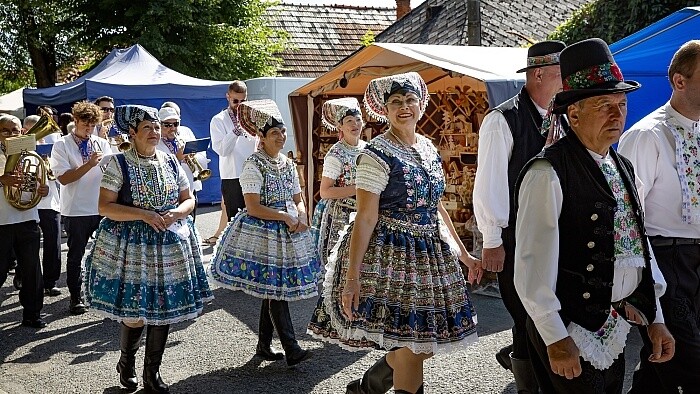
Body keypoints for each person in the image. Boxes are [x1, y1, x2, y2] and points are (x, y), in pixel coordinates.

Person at [514, 38, 675, 393]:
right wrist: (555, 337)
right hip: (569, 327)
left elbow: (639, 246)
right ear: (574, 114)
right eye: (604, 105)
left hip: (614, 324)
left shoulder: (624, 167)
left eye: (621, 104)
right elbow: (531, 264)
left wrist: (655, 317)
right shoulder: (547, 172)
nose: (618, 115)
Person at [325, 72, 481, 394]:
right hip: (391, 257)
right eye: (395, 102)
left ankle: (367, 386)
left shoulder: (426, 146)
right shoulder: (376, 154)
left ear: (421, 104)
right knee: (413, 346)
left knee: (420, 345)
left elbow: (435, 206)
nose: (404, 107)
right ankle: (371, 387)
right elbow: (366, 217)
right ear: (385, 109)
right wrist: (351, 278)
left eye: (410, 100)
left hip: (427, 254)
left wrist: (462, 252)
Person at [84, 105, 213, 393]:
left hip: (168, 242)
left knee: (163, 308)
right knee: (135, 311)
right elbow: (105, 206)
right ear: (132, 133)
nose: (155, 132)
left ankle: (151, 373)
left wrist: (177, 214)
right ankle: (126, 362)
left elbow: (188, 198)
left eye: (157, 127)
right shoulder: (119, 163)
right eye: (148, 128)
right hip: (133, 245)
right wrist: (144, 214)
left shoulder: (169, 162)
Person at [473, 41, 565, 390]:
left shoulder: (562, 116)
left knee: (545, 314)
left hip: (554, 232)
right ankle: (530, 383)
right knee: (526, 315)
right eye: (561, 74)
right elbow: (490, 185)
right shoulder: (502, 119)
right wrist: (493, 240)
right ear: (539, 73)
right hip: (515, 236)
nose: (567, 81)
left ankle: (533, 372)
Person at [209, 99, 320, 367]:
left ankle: (263, 345)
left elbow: (298, 197)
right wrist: (285, 216)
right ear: (262, 137)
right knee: (276, 290)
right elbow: (253, 206)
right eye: (274, 133)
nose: (281, 137)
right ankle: (291, 348)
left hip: (288, 230)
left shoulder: (287, 163)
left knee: (272, 288)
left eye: (282, 131)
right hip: (264, 232)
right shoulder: (253, 165)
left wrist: (302, 213)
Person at [618, 40, 700, 393]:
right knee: (689, 357)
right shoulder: (645, 136)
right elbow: (625, 218)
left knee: (661, 365)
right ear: (680, 81)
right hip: (663, 257)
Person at [52, 101, 112, 314]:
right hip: (76, 209)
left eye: (93, 124)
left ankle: (101, 295)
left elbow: (110, 173)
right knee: (76, 255)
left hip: (101, 207)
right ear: (75, 121)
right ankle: (75, 298)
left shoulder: (101, 143)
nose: (89, 128)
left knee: (105, 254)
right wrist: (88, 164)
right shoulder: (61, 145)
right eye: (85, 123)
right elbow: (65, 179)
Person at [0, 114, 48, 328]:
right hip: (1, 221)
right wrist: (1, 180)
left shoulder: (30, 153)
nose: (12, 135)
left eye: (16, 131)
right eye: (6, 131)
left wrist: (43, 189)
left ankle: (33, 313)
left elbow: (38, 182)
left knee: (31, 269)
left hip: (27, 217)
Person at [23, 115, 62, 296]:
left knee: (53, 241)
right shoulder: (18, 148)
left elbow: (59, 173)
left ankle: (50, 280)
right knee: (25, 244)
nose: (41, 137)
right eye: (36, 131)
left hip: (49, 202)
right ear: (25, 131)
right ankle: (24, 276)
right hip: (26, 202)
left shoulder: (53, 147)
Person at [210, 80, 258, 220]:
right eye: (235, 101)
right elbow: (222, 150)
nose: (239, 105)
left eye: (243, 101)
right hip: (233, 176)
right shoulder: (218, 120)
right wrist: (236, 131)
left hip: (253, 173)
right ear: (228, 97)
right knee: (235, 221)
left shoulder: (252, 117)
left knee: (256, 218)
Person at [156, 106, 208, 221]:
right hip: (168, 194)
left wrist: (195, 157)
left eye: (176, 124)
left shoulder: (186, 132)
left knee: (190, 224)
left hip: (189, 189)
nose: (172, 128)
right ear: (159, 124)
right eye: (167, 125)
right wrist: (177, 158)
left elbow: (202, 158)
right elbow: (158, 168)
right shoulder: (156, 141)